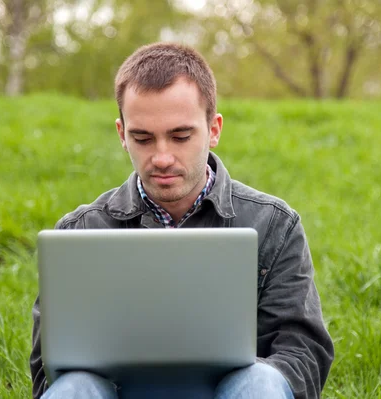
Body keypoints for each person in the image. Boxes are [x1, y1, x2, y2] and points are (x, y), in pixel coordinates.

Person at [30, 42, 334, 399]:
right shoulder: (79, 233)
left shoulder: (273, 225)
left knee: (260, 384)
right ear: (121, 135)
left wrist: (256, 376)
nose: (161, 157)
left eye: (180, 136)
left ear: (214, 129)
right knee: (75, 389)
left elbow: (303, 354)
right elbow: (47, 372)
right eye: (142, 138)